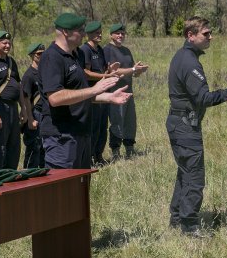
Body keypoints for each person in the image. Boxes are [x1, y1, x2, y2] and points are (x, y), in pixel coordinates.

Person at [165, 16, 227, 237]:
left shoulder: (184, 56)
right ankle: (189, 226)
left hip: (181, 123)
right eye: (205, 33)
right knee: (194, 175)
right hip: (184, 126)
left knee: (185, 172)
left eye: (210, 33)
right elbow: (203, 98)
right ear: (190, 36)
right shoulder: (189, 61)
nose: (210, 36)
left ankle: (177, 217)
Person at [38, 13, 131, 169]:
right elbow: (54, 97)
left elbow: (79, 93)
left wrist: (108, 97)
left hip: (81, 131)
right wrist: (93, 90)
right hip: (62, 137)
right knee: (64, 190)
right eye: (79, 30)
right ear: (65, 32)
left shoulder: (77, 54)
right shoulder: (52, 57)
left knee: (81, 190)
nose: (83, 33)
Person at [79, 21, 122, 166]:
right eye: (96, 33)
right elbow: (85, 73)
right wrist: (104, 77)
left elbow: (104, 70)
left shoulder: (100, 50)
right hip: (93, 95)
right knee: (94, 126)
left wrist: (111, 71)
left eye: (100, 32)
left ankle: (99, 155)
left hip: (104, 92)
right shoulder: (85, 50)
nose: (100, 35)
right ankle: (90, 157)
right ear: (89, 35)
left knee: (103, 126)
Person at [0, 31, 28, 172]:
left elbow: (19, 86)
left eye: (9, 42)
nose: (7, 45)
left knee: (14, 145)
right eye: (4, 42)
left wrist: (23, 108)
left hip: (13, 108)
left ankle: (11, 177)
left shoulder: (11, 61)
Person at [103, 24, 149, 160]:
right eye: (117, 33)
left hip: (129, 91)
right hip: (115, 92)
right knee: (117, 121)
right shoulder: (107, 50)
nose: (120, 36)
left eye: (122, 33)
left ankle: (130, 148)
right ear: (111, 35)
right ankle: (115, 151)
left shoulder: (127, 50)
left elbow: (132, 72)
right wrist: (133, 70)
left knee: (130, 121)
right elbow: (113, 72)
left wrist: (138, 71)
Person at [21, 43, 45, 168]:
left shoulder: (45, 72)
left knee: (44, 146)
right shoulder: (29, 75)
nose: (41, 56)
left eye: (43, 53)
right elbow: (26, 100)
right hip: (35, 113)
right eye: (38, 54)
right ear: (32, 55)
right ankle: (29, 173)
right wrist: (30, 119)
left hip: (45, 113)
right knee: (34, 146)